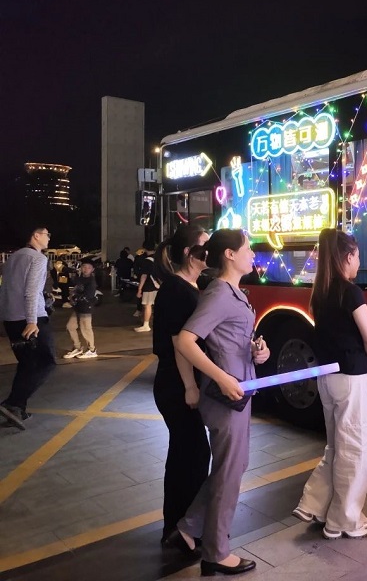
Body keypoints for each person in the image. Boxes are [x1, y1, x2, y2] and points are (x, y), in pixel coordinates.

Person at [171, 229, 269, 577]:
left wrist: (257, 351)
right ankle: (215, 553)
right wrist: (223, 377)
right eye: (248, 249)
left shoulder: (234, 293)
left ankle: (189, 526)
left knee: (233, 467)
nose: (252, 255)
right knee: (230, 471)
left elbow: (231, 341)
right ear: (229, 254)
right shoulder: (219, 294)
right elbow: (185, 341)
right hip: (226, 398)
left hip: (239, 394)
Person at [293, 229, 367, 539]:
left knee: (336, 445)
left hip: (326, 377)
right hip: (351, 376)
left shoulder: (320, 291)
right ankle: (344, 520)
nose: (359, 263)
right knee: (355, 447)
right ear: (348, 257)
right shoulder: (351, 292)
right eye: (357, 257)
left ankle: (315, 504)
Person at [151, 224, 211, 546]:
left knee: (187, 453)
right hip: (175, 383)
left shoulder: (192, 286)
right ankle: (180, 528)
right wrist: (190, 386)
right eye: (204, 245)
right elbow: (178, 342)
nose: (210, 250)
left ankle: (181, 527)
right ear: (189, 253)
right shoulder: (176, 289)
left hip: (180, 382)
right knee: (192, 453)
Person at [0, 226, 57, 430]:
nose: (49, 238)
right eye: (47, 235)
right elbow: (31, 291)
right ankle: (13, 403)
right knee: (47, 361)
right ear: (36, 236)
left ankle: (18, 410)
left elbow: (5, 289)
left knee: (27, 363)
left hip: (11, 319)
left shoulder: (12, 258)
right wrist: (32, 321)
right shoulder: (38, 258)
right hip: (30, 319)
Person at [63, 257, 98, 360]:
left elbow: (88, 295)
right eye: (84, 267)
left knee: (86, 329)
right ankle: (77, 347)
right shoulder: (80, 278)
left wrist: (74, 296)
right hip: (78, 307)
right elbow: (73, 286)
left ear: (92, 269)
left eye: (88, 268)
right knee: (70, 326)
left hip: (86, 308)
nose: (85, 269)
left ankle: (92, 350)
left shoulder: (91, 281)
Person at [134, 248, 159, 332]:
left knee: (147, 305)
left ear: (145, 249)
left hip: (149, 286)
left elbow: (144, 276)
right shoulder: (159, 259)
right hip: (158, 285)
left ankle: (146, 325)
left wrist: (139, 289)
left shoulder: (147, 261)